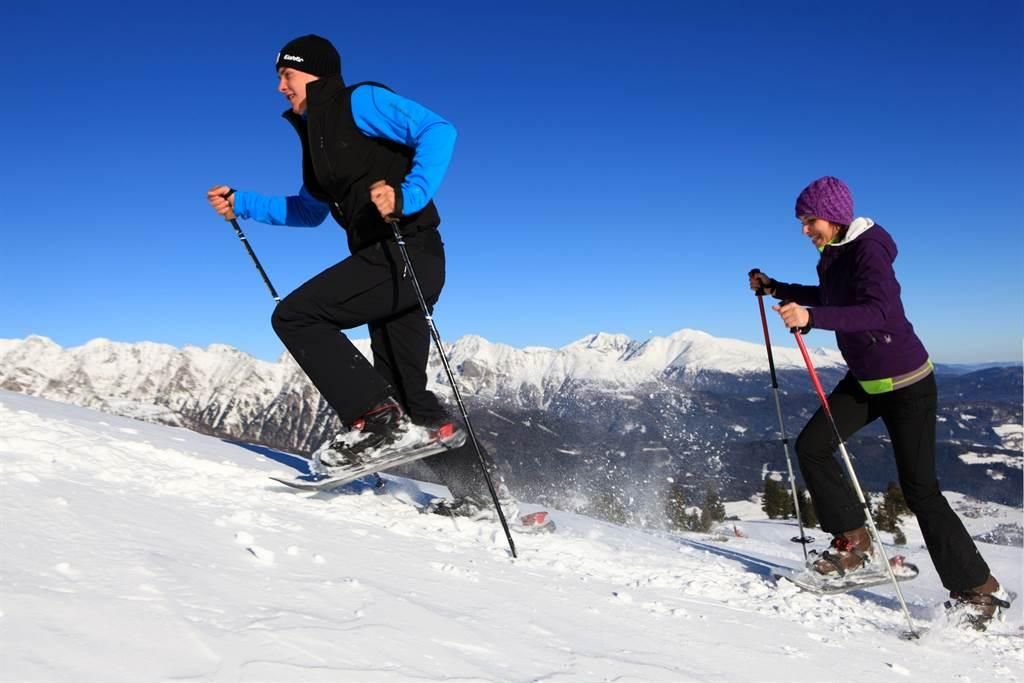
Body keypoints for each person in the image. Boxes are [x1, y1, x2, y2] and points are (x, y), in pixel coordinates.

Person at [207, 34, 520, 525]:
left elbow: (440, 130)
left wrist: (408, 194)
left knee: (296, 316)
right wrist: (241, 203)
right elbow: (309, 211)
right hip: (391, 262)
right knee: (407, 393)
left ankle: (374, 423)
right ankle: (480, 494)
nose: (280, 87)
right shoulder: (315, 139)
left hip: (406, 250)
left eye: (286, 75)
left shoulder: (360, 102)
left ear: (313, 73)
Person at [749, 176, 1009, 629]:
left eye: (809, 221)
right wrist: (778, 288)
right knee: (812, 446)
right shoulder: (833, 253)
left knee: (920, 490)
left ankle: (979, 590)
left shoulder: (869, 250)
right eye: (802, 222)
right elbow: (831, 298)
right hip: (866, 380)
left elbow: (879, 311)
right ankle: (855, 544)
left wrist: (812, 317)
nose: (804, 230)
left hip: (907, 384)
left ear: (833, 216)